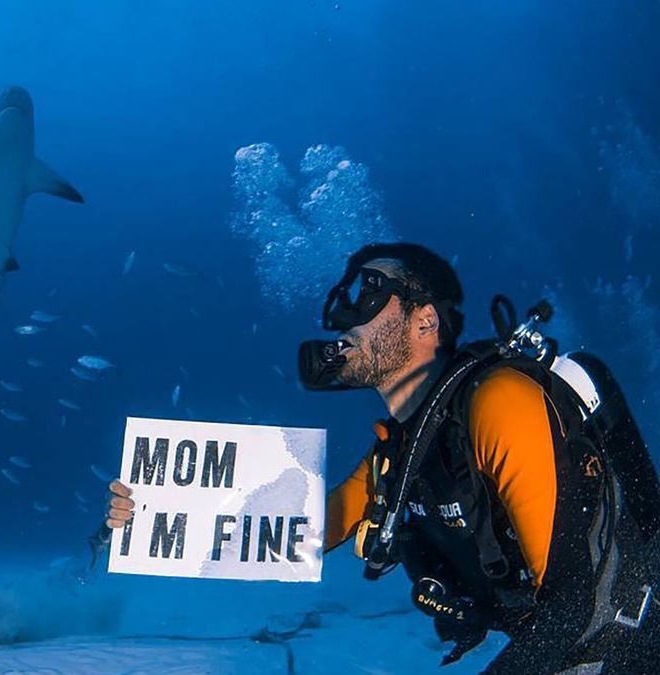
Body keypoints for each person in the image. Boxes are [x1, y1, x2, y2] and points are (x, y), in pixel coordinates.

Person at [105, 243, 660, 674]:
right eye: (345, 295)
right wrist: (154, 513)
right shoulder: (399, 455)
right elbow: (301, 530)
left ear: (425, 322)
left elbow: (570, 605)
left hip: (628, 645)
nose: (344, 316)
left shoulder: (500, 401)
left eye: (369, 292)